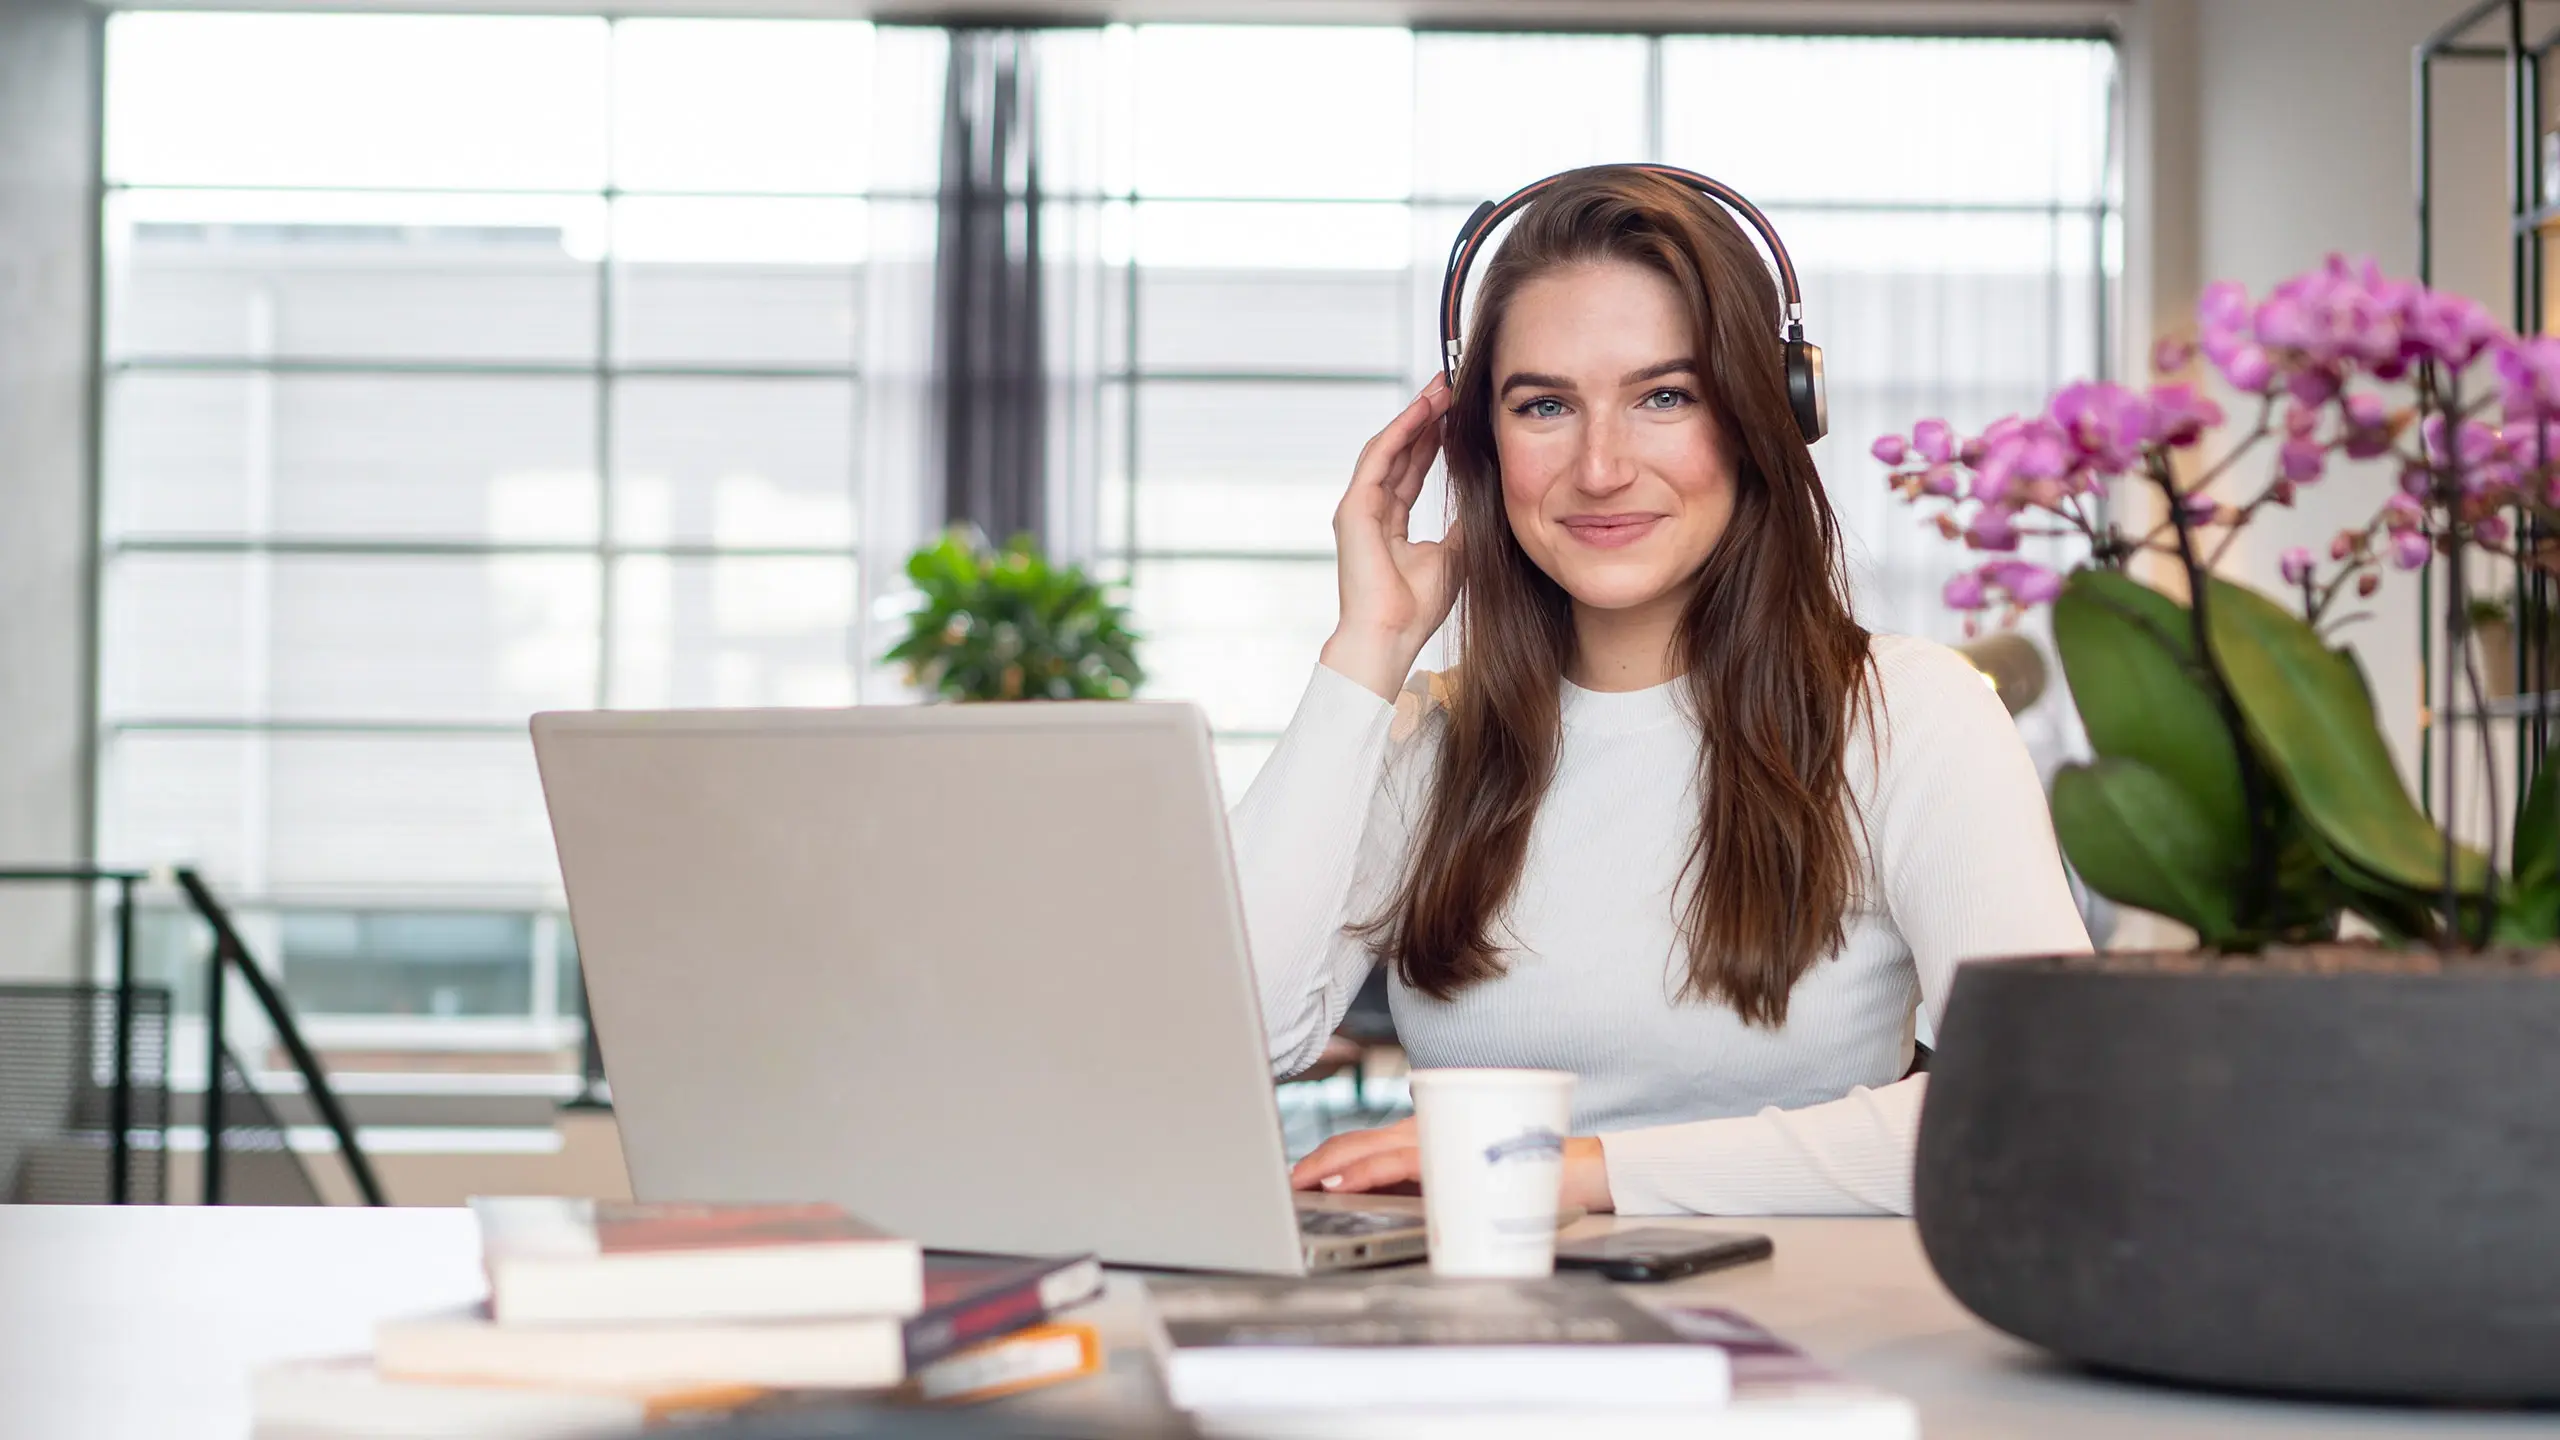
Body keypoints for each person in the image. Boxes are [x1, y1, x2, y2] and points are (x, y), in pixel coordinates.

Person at [1227, 166, 2091, 1218]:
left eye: (1663, 397)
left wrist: (1580, 1174)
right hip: (1478, 1330)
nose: (1599, 467)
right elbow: (1239, 1040)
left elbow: (2040, 1104)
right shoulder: (1433, 739)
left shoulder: (1909, 714)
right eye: (1544, 405)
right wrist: (1369, 645)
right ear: (1479, 448)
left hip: (1809, 1338)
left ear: (1764, 415)